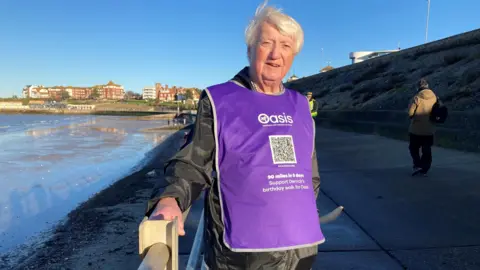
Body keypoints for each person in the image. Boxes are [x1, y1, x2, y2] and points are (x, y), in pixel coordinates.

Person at [145, 2, 325, 269]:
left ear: (294, 54)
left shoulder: (300, 105)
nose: (276, 54)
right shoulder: (220, 101)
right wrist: (170, 198)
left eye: (286, 46)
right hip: (242, 255)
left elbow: (309, 173)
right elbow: (193, 162)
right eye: (266, 43)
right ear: (250, 49)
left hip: (299, 251)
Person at [408, 78, 437, 176]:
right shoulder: (435, 97)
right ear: (427, 86)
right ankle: (425, 168)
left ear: (418, 87)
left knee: (413, 148)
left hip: (416, 128)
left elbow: (410, 113)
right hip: (430, 128)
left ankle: (417, 164)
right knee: (427, 149)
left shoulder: (417, 97)